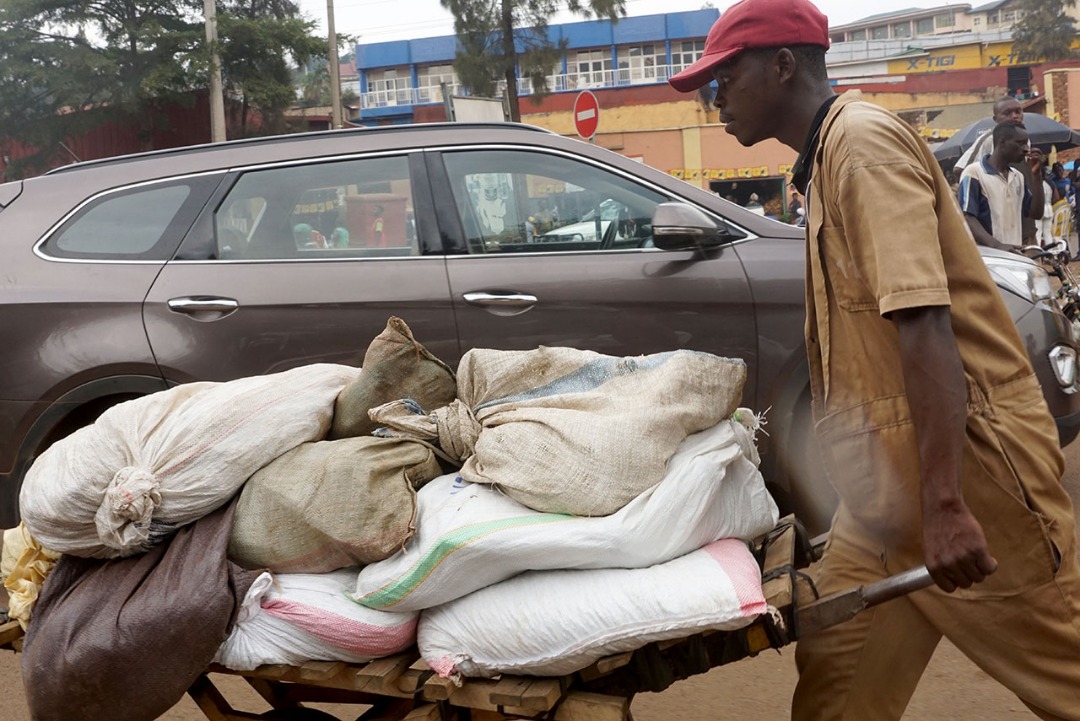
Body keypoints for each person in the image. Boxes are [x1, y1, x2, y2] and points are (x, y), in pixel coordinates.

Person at [668, 1, 1080, 720]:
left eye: (725, 77)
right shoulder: (825, 160)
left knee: (1062, 670)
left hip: (973, 475)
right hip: (887, 496)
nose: (715, 98)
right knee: (838, 682)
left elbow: (923, 321)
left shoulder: (862, 147)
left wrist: (945, 504)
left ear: (783, 65)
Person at [954, 95, 1044, 245]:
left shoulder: (1017, 176)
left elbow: (1036, 212)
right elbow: (967, 215)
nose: (1014, 116)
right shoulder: (979, 161)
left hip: (1022, 234)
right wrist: (980, 191)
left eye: (1018, 111)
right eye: (1007, 113)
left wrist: (1037, 176)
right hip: (992, 249)